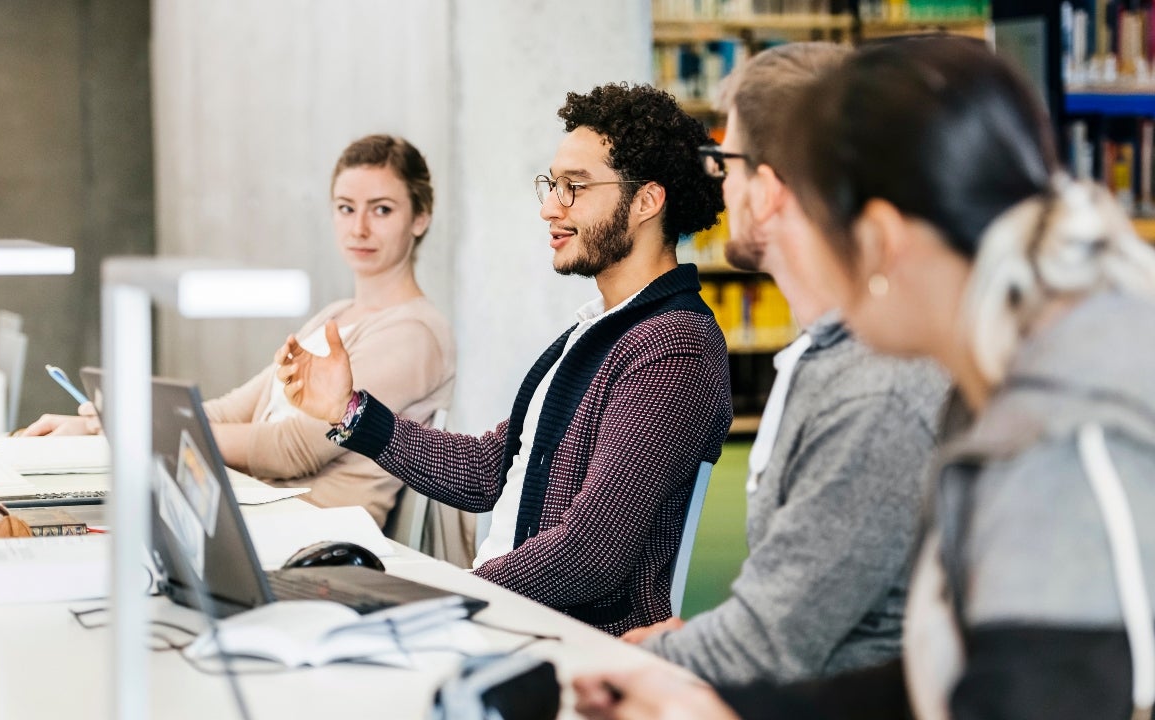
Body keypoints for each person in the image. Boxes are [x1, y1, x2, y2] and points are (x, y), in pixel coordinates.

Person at [575, 36, 1155, 720]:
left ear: (878, 239)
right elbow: (950, 678)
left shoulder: (1057, 442)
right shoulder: (1000, 386)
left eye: (815, 223)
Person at [275, 82, 732, 636]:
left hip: (563, 642)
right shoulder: (596, 331)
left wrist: (452, 594)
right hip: (509, 617)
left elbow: (592, 553)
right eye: (551, 186)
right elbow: (489, 471)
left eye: (574, 188)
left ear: (645, 202)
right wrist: (349, 411)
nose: (548, 208)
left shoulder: (673, 348)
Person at [623, 43, 949, 686]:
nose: (718, 179)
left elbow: (766, 648)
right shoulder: (833, 354)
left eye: (726, 158)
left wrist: (614, 663)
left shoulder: (873, 392)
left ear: (767, 190)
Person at [24, 134, 457, 531]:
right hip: (257, 508)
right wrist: (110, 423)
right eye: (346, 208)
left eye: (381, 210)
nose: (359, 227)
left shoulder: (414, 333)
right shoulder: (338, 313)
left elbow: (291, 450)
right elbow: (234, 410)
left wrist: (137, 429)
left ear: (420, 218)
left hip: (315, 530)